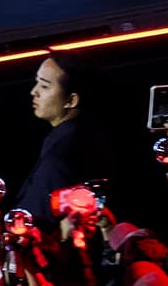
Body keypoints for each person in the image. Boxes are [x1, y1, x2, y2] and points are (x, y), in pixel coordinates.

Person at [11, 52, 113, 221]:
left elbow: (42, 219)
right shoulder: (73, 139)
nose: (33, 92)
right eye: (36, 82)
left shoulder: (62, 155)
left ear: (71, 101)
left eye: (44, 86)